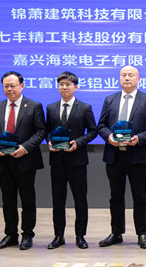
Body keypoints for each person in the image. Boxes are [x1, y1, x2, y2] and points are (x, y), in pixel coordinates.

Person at [97, 65, 146, 249]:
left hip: (138, 155)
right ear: (119, 78)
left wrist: (140, 138)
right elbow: (101, 125)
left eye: (131, 75)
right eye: (123, 75)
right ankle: (116, 233)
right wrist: (109, 136)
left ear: (138, 79)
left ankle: (142, 233)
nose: (126, 78)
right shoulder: (110, 100)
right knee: (115, 197)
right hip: (114, 155)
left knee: (140, 196)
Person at [0, 71, 47, 250]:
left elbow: (40, 131)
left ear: (22, 86)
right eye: (6, 86)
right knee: (8, 201)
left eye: (13, 86)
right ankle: (10, 234)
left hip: (25, 160)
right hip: (3, 161)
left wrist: (25, 148)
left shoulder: (34, 106)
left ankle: (27, 234)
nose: (9, 89)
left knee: (28, 200)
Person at [45, 72, 98, 250]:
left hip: (77, 160)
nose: (64, 87)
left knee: (80, 200)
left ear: (76, 87)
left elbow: (93, 131)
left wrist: (79, 142)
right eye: (61, 84)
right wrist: (49, 141)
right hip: (57, 161)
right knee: (58, 200)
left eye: (68, 84)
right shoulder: (51, 108)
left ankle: (80, 236)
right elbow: (47, 130)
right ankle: (58, 236)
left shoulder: (84, 107)